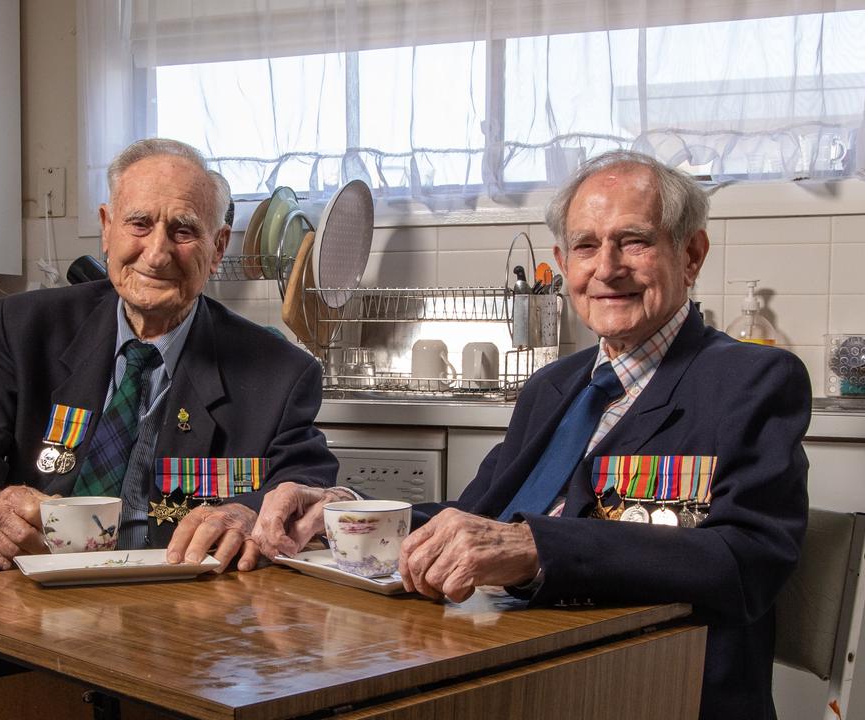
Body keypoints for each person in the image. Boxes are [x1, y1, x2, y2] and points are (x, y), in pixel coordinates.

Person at [248, 150, 811, 720]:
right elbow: (474, 520)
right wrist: (346, 513)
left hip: (659, 688)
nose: (607, 268)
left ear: (690, 254)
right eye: (586, 247)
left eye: (634, 241)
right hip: (512, 664)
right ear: (563, 264)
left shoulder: (751, 380)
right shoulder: (553, 387)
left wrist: (535, 547)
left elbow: (746, 562)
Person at [0, 137, 338, 577]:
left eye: (183, 231)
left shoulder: (279, 371)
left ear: (217, 248)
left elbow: (306, 486)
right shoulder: (28, 326)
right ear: (106, 227)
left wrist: (248, 513)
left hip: (185, 612)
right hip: (28, 595)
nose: (157, 255)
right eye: (139, 223)